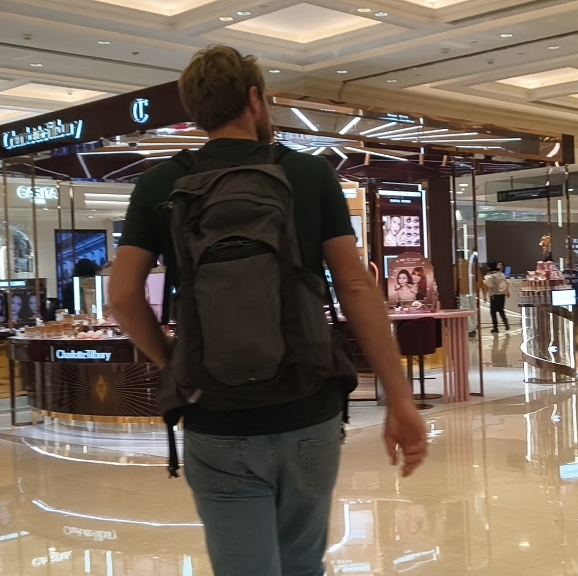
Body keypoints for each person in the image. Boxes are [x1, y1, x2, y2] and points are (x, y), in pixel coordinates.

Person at [109, 45, 427, 576]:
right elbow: (354, 285)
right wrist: (399, 398)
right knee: (303, 565)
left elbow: (122, 297)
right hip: (307, 409)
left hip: (215, 414)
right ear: (254, 99)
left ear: (195, 112)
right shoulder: (308, 174)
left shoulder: (160, 185)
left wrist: (175, 365)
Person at [484, 260, 510, 333]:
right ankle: (506, 323)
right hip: (502, 294)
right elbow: (506, 283)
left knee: (493, 312)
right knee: (501, 310)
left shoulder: (489, 277)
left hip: (494, 295)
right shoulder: (501, 274)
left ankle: (495, 327)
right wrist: (507, 291)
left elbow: (489, 286)